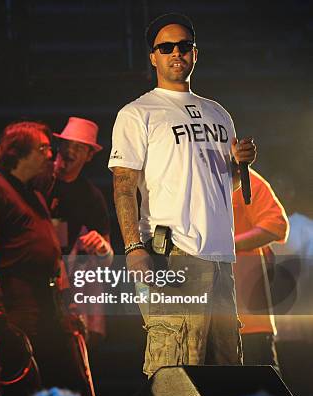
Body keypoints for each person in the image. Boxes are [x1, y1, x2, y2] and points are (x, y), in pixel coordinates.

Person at [108, 13, 256, 377]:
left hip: (220, 256)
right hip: (172, 253)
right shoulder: (137, 113)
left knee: (224, 374)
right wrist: (133, 247)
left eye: (184, 46)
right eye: (166, 46)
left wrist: (241, 166)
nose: (177, 52)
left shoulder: (218, 113)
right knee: (176, 370)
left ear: (195, 53)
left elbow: (223, 184)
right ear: (153, 57)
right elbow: (124, 185)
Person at [0, 121, 104, 396]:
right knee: (18, 388)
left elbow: (53, 255)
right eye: (43, 148)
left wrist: (67, 302)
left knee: (66, 382)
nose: (50, 155)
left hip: (47, 304)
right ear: (21, 152)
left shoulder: (34, 195)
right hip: (16, 305)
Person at [0, 117, 114, 346]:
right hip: (12, 286)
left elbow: (101, 256)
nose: (67, 152)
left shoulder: (89, 197)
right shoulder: (31, 182)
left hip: (48, 289)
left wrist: (102, 250)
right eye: (66, 145)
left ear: (89, 155)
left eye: (79, 147)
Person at [232, 168, 289, 370]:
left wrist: (225, 245)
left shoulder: (246, 178)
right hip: (207, 323)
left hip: (250, 324)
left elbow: (276, 226)